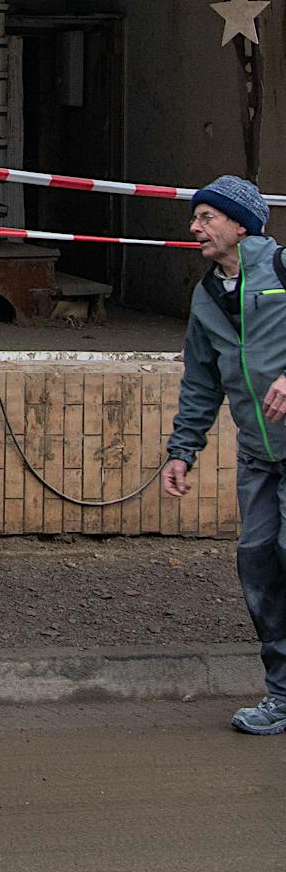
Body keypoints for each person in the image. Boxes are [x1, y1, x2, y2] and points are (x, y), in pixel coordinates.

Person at [161, 173, 286, 735]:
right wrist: (182, 451)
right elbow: (201, 382)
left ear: (242, 224)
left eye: (207, 217)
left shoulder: (282, 269)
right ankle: (282, 696)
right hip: (260, 456)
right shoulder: (206, 295)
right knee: (259, 564)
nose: (195, 227)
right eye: (196, 217)